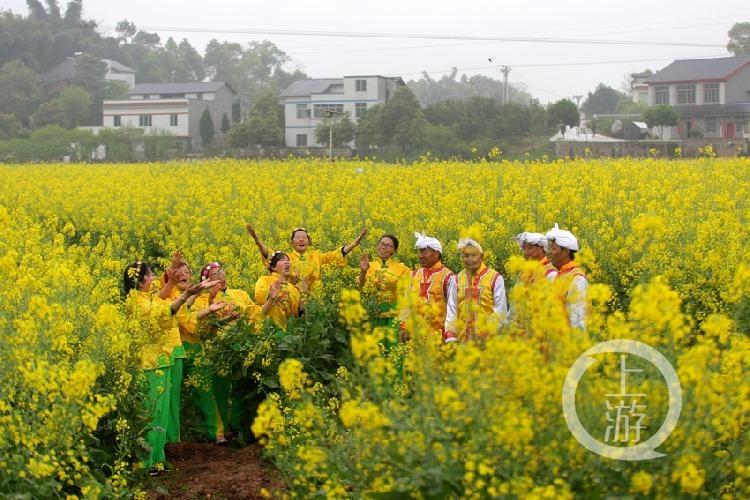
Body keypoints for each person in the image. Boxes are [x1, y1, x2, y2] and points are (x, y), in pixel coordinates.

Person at [123, 260, 214, 475]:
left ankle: (157, 459)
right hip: (149, 363)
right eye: (151, 274)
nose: (154, 277)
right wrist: (183, 294)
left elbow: (163, 302)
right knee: (152, 413)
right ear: (141, 279)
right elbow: (163, 313)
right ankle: (146, 463)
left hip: (162, 360)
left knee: (162, 414)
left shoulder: (149, 298)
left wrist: (181, 289)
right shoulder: (135, 302)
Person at [162, 254, 229, 445]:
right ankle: (171, 440)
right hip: (173, 350)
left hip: (194, 347)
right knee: (171, 397)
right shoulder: (167, 295)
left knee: (206, 392)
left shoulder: (195, 295)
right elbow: (183, 318)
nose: (184, 275)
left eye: (187, 272)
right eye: (179, 272)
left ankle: (216, 433)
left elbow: (191, 323)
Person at [194, 261, 264, 444]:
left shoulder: (239, 294)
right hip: (218, 351)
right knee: (220, 392)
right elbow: (202, 328)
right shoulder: (202, 301)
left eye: (222, 273)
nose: (221, 278)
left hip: (241, 347)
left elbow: (254, 314)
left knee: (242, 388)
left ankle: (241, 429)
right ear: (206, 281)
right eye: (215, 276)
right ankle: (220, 432)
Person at [246, 224, 367, 289]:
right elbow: (269, 254)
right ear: (292, 242)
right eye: (297, 237)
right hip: (294, 298)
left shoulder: (316, 256)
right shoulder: (286, 257)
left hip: (316, 299)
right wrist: (256, 238)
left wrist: (354, 244)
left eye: (304, 237)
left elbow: (336, 254)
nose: (301, 240)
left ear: (309, 241)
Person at [444, 239, 507, 343]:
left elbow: (500, 310)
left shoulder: (495, 278)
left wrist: (486, 333)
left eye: (473, 255)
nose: (470, 259)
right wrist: (451, 337)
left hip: (488, 343)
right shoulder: (456, 279)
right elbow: (452, 311)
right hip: (461, 343)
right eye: (466, 255)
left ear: (481, 257)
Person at [358, 234, 412, 351]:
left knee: (394, 353)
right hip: (373, 315)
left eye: (389, 246)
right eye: (382, 244)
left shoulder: (402, 269)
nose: (384, 247)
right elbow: (361, 287)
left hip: (394, 318)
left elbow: (412, 288)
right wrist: (363, 272)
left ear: (394, 250)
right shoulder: (369, 266)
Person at [399, 232, 454, 341]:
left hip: (440, 339)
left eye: (424, 252)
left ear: (436, 253)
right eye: (419, 252)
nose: (420, 256)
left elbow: (454, 310)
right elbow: (406, 306)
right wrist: (403, 327)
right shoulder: (413, 275)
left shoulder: (448, 277)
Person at [545, 223, 588, 330]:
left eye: (554, 249)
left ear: (566, 252)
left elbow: (578, 320)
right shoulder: (560, 275)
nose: (550, 253)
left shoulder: (577, 278)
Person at [255, 251, 306, 332]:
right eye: (282, 260)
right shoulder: (265, 280)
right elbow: (259, 299)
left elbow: (298, 314)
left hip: (282, 333)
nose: (287, 262)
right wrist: (270, 295)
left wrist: (303, 294)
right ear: (273, 267)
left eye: (288, 260)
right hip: (264, 328)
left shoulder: (293, 288)